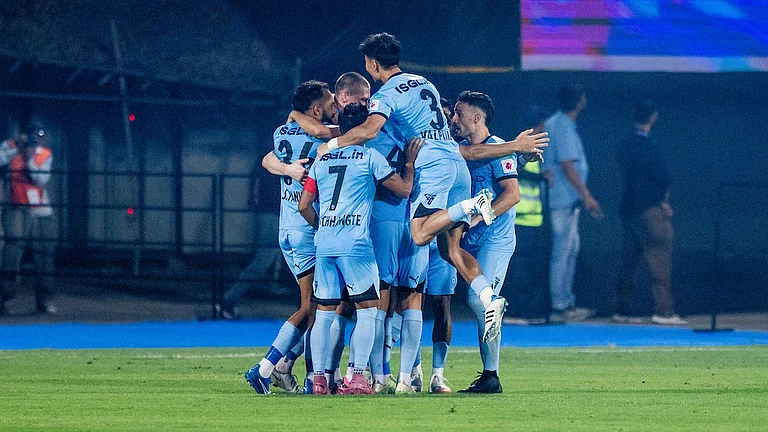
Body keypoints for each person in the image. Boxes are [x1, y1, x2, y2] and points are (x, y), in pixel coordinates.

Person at [315, 35, 549, 390]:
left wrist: (330, 146)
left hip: (434, 170)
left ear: (372, 64)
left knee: (421, 234)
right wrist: (517, 146)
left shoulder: (386, 95)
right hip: (454, 163)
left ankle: (470, 206)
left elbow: (370, 129)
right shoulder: (424, 82)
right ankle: (488, 298)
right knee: (448, 249)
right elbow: (462, 149)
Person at [298, 102, 420, 395]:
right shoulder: (369, 156)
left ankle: (319, 379)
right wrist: (410, 164)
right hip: (356, 244)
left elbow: (303, 206)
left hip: (324, 244)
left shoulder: (322, 159)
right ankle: (357, 377)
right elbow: (403, 190)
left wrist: (324, 226)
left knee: (324, 313)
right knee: (367, 310)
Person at [243, 80, 335, 395]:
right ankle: (266, 369)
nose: (336, 103)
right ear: (317, 108)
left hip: (288, 228)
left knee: (322, 304)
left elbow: (267, 160)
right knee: (314, 306)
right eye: (330, 99)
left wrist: (285, 167)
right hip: (308, 226)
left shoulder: (283, 132)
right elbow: (329, 133)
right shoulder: (322, 134)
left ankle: (284, 367)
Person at [451, 92, 521, 393]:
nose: (454, 119)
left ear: (477, 118)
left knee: (479, 301)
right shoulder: (462, 150)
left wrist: (479, 219)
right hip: (467, 241)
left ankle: (491, 375)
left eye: (459, 113)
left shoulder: (498, 148)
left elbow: (512, 194)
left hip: (495, 240)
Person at [614, 100, 685, 325]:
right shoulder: (652, 147)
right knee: (661, 258)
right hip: (650, 209)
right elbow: (664, 178)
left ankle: (622, 310)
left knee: (629, 260)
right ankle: (663, 311)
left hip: (628, 208)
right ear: (652, 117)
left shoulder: (624, 146)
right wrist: (663, 201)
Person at [542, 85, 600, 322]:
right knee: (562, 252)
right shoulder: (562, 125)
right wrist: (586, 195)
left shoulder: (556, 123)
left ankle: (565, 301)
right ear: (579, 102)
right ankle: (560, 305)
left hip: (566, 200)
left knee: (569, 250)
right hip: (563, 199)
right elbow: (567, 165)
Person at [0, 121, 57, 315]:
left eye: (37, 136)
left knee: (45, 256)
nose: (34, 139)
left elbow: (40, 179)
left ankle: (44, 301)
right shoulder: (10, 148)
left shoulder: (44, 155)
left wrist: (29, 157)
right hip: (17, 208)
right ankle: (4, 299)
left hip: (40, 210)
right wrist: (15, 148)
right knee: (11, 255)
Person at [504, 106, 552, 325]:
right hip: (520, 218)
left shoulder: (533, 147)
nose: (544, 129)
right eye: (542, 125)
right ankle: (516, 311)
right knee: (520, 267)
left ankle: (527, 310)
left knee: (530, 267)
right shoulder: (519, 145)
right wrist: (542, 180)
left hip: (533, 218)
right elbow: (514, 171)